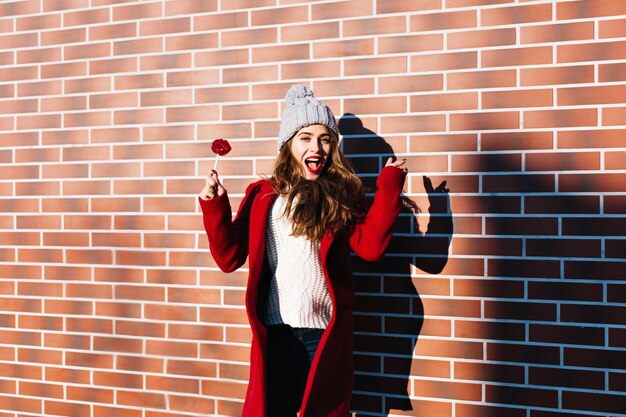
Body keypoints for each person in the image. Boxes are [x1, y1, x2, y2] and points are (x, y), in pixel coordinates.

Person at [198, 85, 407, 417]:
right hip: (275, 332)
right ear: (288, 144)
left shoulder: (341, 194)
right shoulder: (263, 195)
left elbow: (371, 248)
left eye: (325, 139)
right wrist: (214, 206)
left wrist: (390, 185)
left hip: (321, 334)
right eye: (306, 137)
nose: (317, 147)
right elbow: (229, 257)